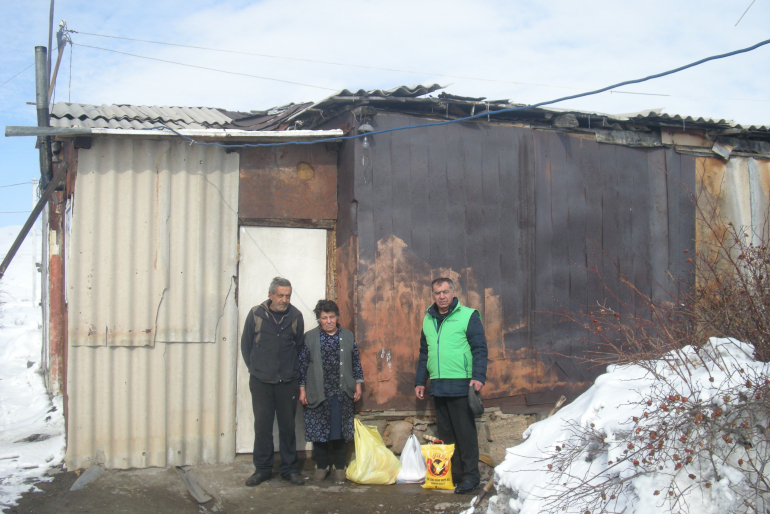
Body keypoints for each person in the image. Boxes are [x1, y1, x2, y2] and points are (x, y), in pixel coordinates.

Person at [414, 277, 488, 495]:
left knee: (465, 433)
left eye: (446, 292)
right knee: (446, 435)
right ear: (433, 295)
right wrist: (421, 380)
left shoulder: (468, 315)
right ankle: (453, 475)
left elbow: (479, 349)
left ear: (453, 293)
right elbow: (424, 352)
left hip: (461, 383)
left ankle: (471, 477)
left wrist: (478, 376)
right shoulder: (428, 319)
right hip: (438, 384)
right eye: (437, 293)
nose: (442, 296)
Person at [240, 277, 305, 487]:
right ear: (271, 295)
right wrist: (256, 369)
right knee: (263, 426)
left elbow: (298, 347)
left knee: (287, 427)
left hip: (287, 382)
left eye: (287, 296)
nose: (284, 300)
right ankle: (262, 469)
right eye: (280, 295)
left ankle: (289, 469)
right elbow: (246, 345)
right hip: (261, 382)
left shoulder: (295, 316)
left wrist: (290, 372)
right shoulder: (256, 314)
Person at [298, 299, 364, 483]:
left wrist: (358, 385)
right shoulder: (309, 337)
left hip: (340, 393)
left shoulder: (348, 336)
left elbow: (356, 363)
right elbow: (302, 366)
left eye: (331, 317)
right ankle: (321, 466)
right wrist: (302, 389)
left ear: (337, 317)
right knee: (318, 431)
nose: (328, 321)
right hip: (317, 392)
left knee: (339, 432)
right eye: (324, 318)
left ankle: (339, 467)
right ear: (319, 319)